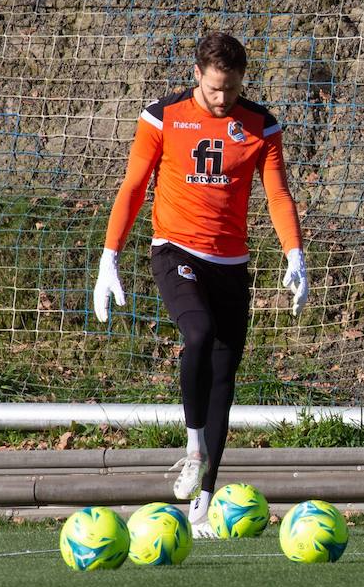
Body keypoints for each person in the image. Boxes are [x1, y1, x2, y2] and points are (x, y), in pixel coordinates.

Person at [92, 31, 309, 538]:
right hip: (175, 251)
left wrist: (294, 253)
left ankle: (204, 502)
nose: (223, 99)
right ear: (197, 76)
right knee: (198, 333)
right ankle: (192, 448)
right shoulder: (161, 117)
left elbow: (277, 193)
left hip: (231, 265)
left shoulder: (260, 125)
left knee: (224, 376)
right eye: (215, 89)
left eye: (232, 90)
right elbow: (133, 186)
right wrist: (110, 257)